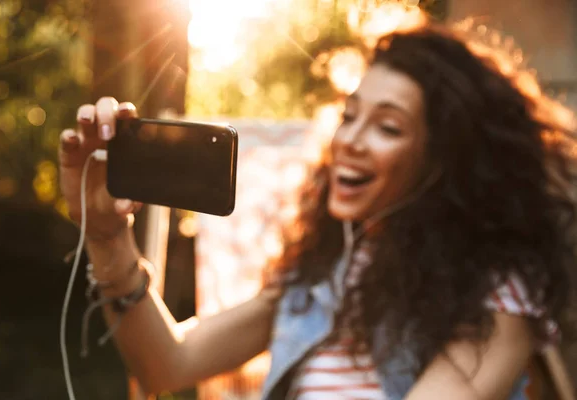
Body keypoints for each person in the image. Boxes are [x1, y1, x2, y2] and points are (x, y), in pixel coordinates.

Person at [58, 16, 577, 400]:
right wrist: (108, 237)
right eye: (350, 117)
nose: (349, 140)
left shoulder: (497, 292)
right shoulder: (320, 273)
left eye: (388, 127)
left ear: (444, 160)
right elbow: (168, 364)